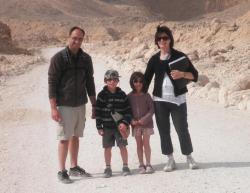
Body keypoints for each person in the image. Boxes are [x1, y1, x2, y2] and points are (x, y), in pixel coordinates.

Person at [144, 25, 199, 172]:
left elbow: (195, 75)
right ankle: (170, 159)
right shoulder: (154, 60)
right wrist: (138, 97)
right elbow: (146, 80)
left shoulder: (180, 56)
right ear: (156, 41)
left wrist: (182, 74)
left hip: (178, 100)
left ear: (170, 39)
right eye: (159, 38)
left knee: (182, 129)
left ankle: (189, 156)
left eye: (165, 38)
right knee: (164, 130)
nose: (162, 40)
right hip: (159, 101)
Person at [48, 26, 96, 183]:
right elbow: (52, 83)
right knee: (64, 137)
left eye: (80, 39)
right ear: (68, 37)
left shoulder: (86, 59)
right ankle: (62, 171)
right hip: (65, 104)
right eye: (74, 38)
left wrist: (94, 104)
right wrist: (53, 107)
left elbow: (90, 82)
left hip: (80, 104)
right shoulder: (58, 58)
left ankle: (74, 167)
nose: (77, 41)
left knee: (76, 136)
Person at [95, 69, 132, 178]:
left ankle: (125, 166)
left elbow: (128, 111)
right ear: (105, 81)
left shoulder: (122, 94)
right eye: (109, 79)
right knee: (107, 148)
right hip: (106, 127)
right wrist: (99, 126)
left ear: (118, 81)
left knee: (123, 147)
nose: (112, 81)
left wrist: (125, 123)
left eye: (115, 79)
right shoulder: (101, 95)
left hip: (120, 127)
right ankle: (108, 167)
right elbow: (98, 112)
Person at [128, 71, 155, 174]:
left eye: (140, 81)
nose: (138, 83)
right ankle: (141, 164)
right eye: (135, 81)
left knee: (146, 143)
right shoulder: (129, 96)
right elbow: (127, 111)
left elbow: (152, 109)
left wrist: (143, 120)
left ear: (143, 82)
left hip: (147, 124)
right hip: (135, 125)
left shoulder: (147, 95)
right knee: (139, 144)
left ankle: (148, 164)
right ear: (132, 82)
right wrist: (131, 120)